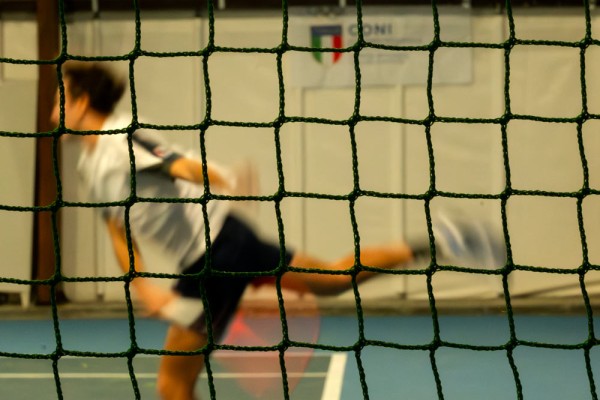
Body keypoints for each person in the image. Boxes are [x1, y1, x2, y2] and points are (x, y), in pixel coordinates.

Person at [51, 61, 500, 400]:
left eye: (58, 100)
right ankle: (435, 243)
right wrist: (142, 284)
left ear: (82, 102)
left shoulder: (121, 139)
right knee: (333, 279)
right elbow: (118, 231)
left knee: (172, 384)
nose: (52, 113)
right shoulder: (90, 169)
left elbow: (178, 165)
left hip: (214, 257)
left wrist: (222, 177)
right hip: (228, 243)